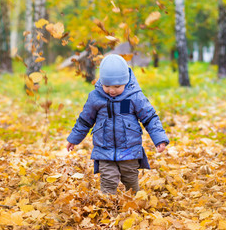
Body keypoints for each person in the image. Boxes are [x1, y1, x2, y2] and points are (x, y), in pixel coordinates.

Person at [66, 54, 169, 194]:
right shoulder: (96, 98)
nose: (111, 90)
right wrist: (74, 139)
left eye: (117, 86)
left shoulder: (134, 97)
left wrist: (159, 138)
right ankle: (109, 206)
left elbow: (150, 118)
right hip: (104, 150)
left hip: (130, 150)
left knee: (131, 180)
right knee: (108, 181)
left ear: (126, 82)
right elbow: (85, 120)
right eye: (107, 85)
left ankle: (133, 204)